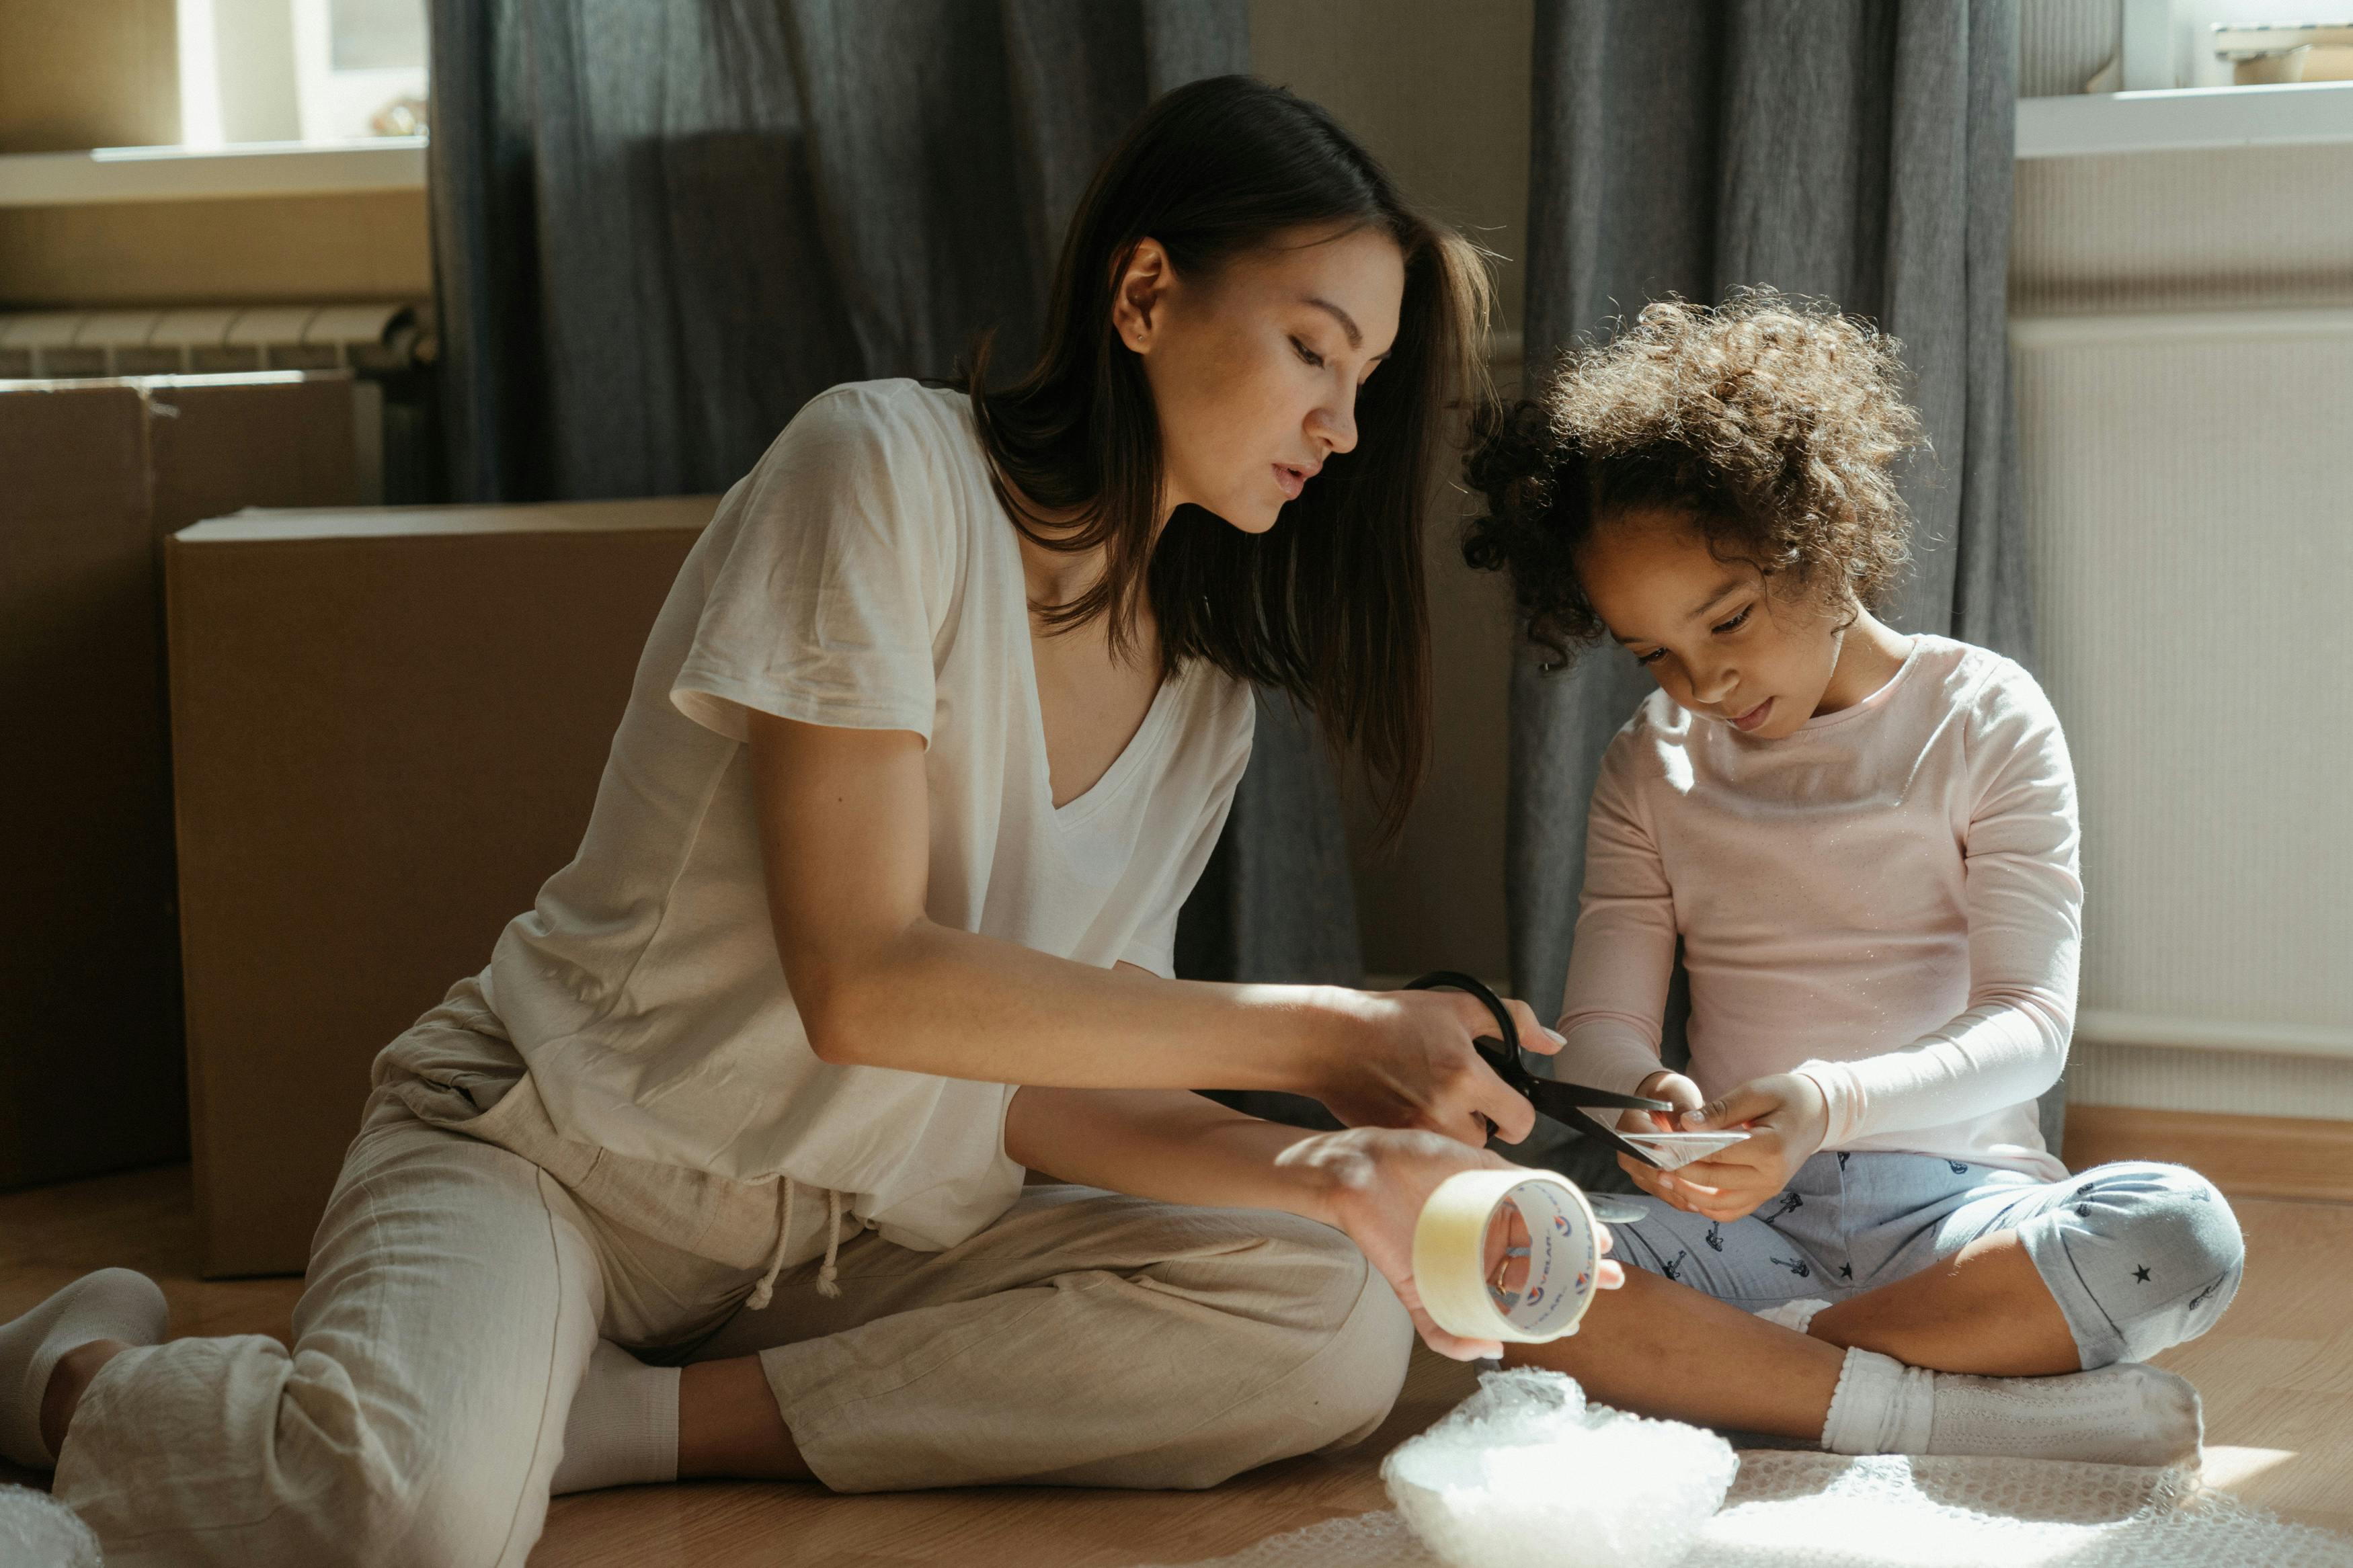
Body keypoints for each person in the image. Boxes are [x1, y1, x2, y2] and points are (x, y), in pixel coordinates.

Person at [0, 77, 1619, 1567]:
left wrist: (1334, 1171)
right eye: (1312, 350)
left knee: (1331, 1312)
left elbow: (1027, 1095)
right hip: (561, 1160)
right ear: (1143, 297)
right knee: (400, 1522)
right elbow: (863, 981)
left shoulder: (1203, 698)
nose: (1340, 427)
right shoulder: (881, 471)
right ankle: (80, 1371)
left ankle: (599, 1427)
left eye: (1367, 379)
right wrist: (1325, 1034)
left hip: (855, 1237)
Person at [1460, 288, 2245, 1464]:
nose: (1704, 683)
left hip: (1962, 1217)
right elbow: (1604, 1030)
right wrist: (1644, 1104)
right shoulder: (1650, 761)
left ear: (1818, 535)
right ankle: (1947, 1407)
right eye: (1656, 653)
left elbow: (2032, 1024)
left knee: (2178, 1232)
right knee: (1486, 1258)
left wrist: (1826, 1102)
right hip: (1740, 1226)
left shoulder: (1982, 714)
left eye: (1727, 619)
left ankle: (1781, 1366)